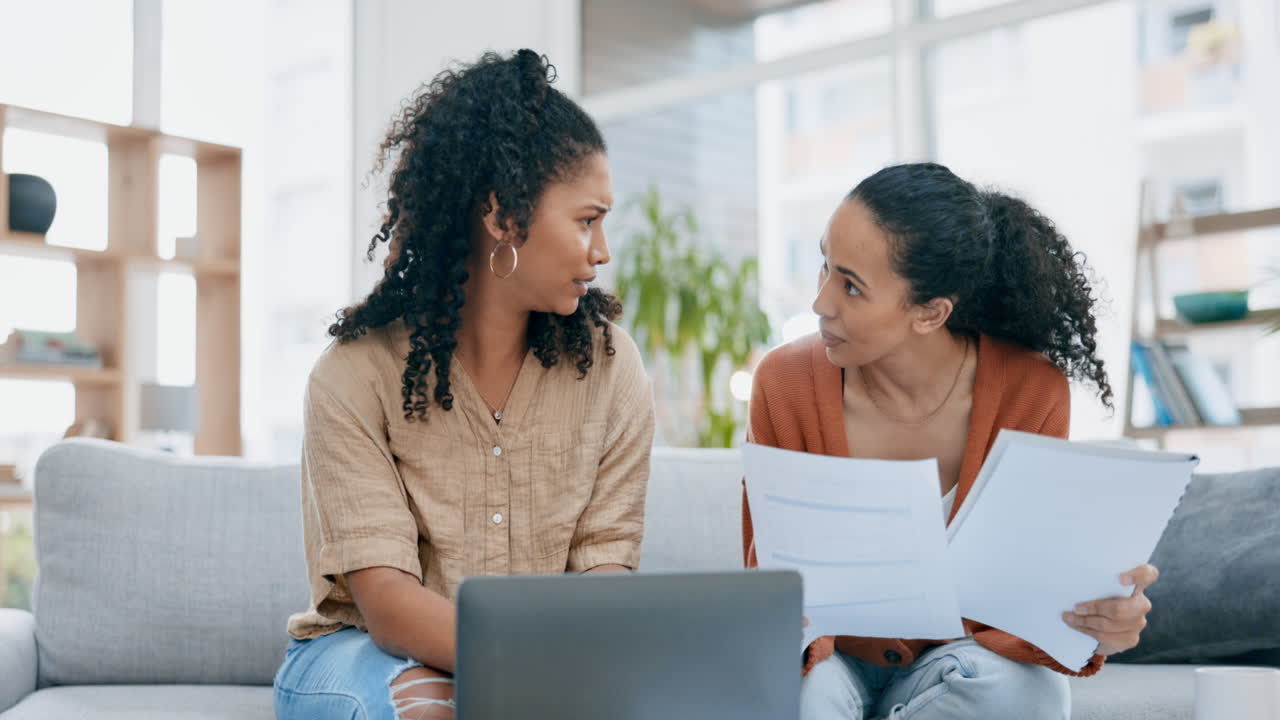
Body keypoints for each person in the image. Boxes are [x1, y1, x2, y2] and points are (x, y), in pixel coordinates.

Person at [273, 49, 655, 720]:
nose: (602, 252)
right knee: (429, 704)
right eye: (586, 220)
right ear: (503, 216)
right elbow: (389, 606)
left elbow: (605, 573)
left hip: (541, 659)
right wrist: (536, 668)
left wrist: (577, 676)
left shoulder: (609, 367)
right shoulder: (355, 373)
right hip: (362, 653)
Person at [743, 163, 1157, 720]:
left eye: (851, 286)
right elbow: (768, 584)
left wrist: (1099, 623)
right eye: (825, 265)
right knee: (803, 699)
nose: (821, 302)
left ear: (931, 312)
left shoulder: (1032, 392)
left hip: (961, 662)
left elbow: (1027, 590)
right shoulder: (784, 383)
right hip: (829, 658)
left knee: (1028, 693)